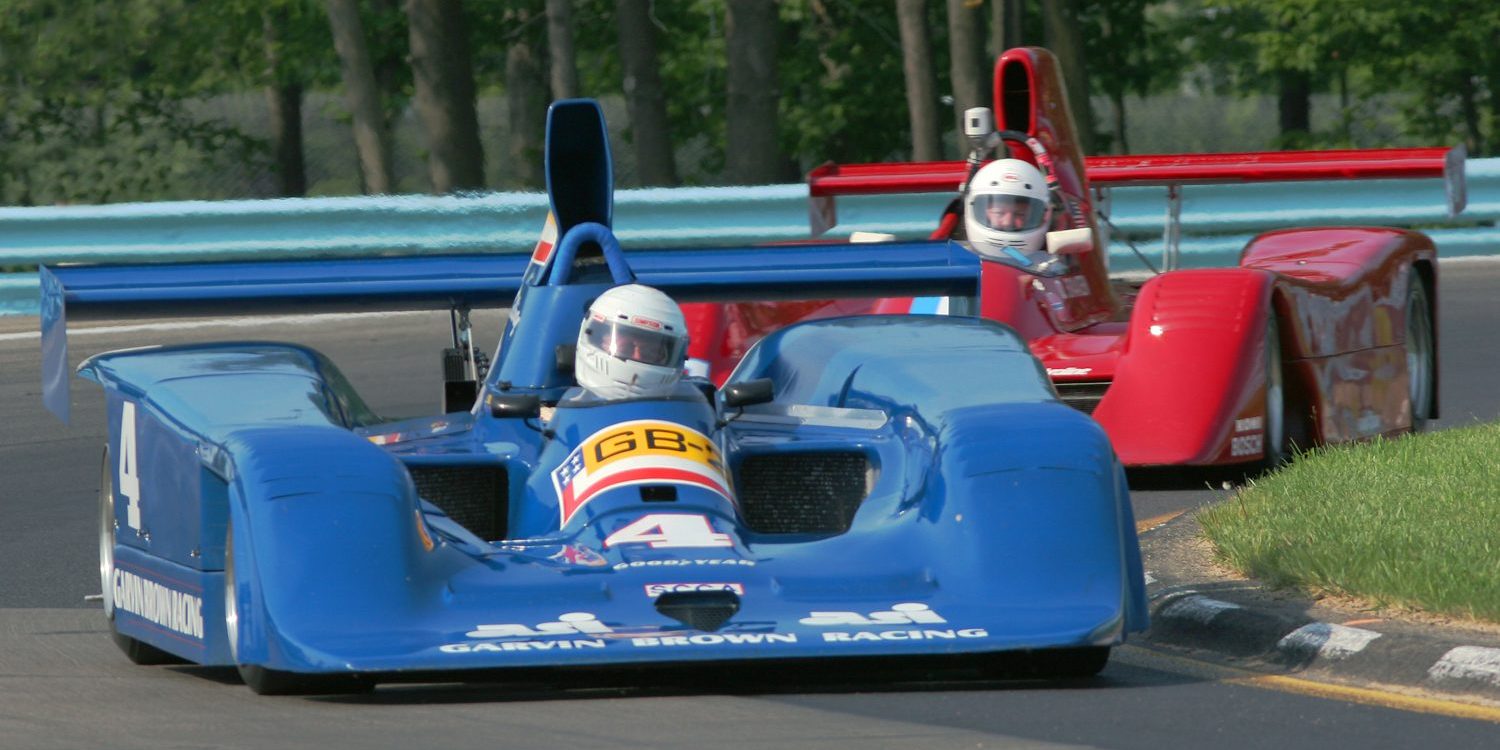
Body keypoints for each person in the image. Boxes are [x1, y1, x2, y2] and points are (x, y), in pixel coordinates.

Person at [574, 283, 690, 399]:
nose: (637, 357)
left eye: (650, 353)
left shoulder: (688, 407)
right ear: (596, 338)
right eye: (625, 348)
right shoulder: (561, 410)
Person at [963, 158, 1054, 266]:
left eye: (1020, 214)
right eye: (999, 213)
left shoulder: (1050, 266)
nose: (1007, 222)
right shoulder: (955, 259)